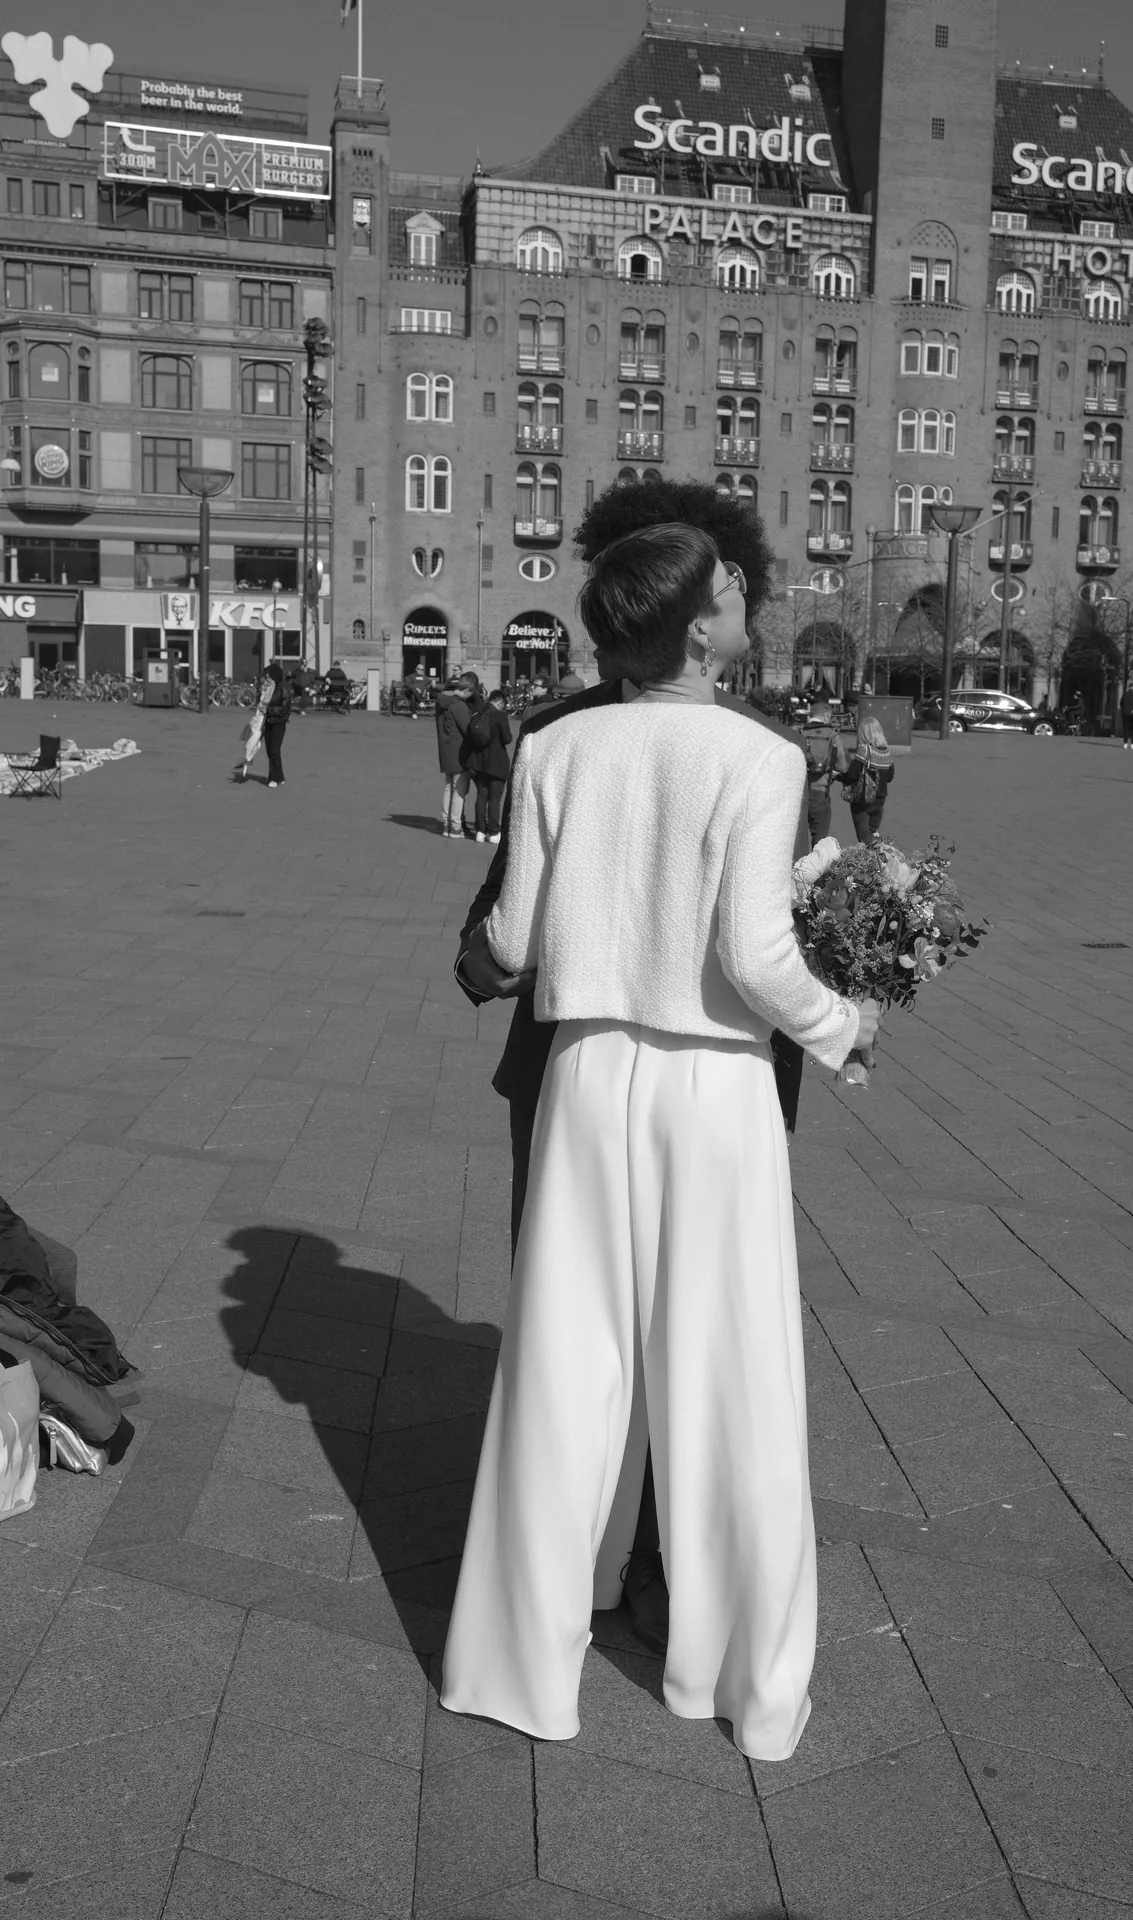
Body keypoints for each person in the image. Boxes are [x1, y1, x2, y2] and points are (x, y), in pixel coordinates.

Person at [440, 525, 876, 1764]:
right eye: (732, 589)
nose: (747, 598)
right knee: (727, 1373)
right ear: (697, 629)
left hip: (585, 1072)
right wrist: (843, 1024)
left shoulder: (554, 745)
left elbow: (514, 940)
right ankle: (737, 1679)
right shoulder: (759, 755)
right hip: (713, 1083)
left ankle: (515, 1662)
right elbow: (753, 954)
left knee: (562, 1365)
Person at [461, 686, 512, 843]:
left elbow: (469, 737)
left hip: (478, 762)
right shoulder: (500, 716)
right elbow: (507, 738)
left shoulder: (477, 715)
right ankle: (494, 831)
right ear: (500, 703)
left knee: (481, 796)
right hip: (497, 762)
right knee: (495, 798)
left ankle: (480, 831)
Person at [435, 672, 481, 837]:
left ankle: (446, 824)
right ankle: (455, 826)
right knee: (459, 791)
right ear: (467, 691)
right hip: (460, 752)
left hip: (446, 750)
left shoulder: (442, 702)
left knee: (449, 789)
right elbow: (468, 730)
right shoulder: (459, 705)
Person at [840, 714, 894, 844]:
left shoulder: (864, 750)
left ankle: (877, 855)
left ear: (863, 734)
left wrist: (840, 776)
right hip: (880, 801)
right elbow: (890, 777)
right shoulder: (887, 752)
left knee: (865, 839)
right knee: (874, 834)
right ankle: (878, 854)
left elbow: (852, 776)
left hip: (863, 801)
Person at [262, 661, 291, 788]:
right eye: (266, 675)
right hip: (267, 722)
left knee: (274, 750)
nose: (267, 677)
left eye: (269, 675)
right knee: (270, 751)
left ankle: (272, 778)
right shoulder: (267, 687)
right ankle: (280, 776)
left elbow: (284, 709)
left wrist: (268, 710)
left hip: (278, 723)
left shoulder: (283, 688)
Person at [1119, 682, 1133, 749]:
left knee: (1125, 728)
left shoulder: (1125, 694)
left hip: (1125, 713)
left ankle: (1125, 743)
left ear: (1129, 687)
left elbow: (1121, 703)